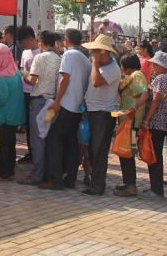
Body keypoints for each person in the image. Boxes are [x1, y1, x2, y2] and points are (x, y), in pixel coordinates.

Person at [39, 29, 90, 191]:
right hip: (77, 107)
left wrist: (57, 101)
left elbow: (65, 79)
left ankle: (55, 179)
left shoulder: (69, 55)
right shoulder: (85, 59)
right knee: (71, 142)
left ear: (66, 41)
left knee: (55, 139)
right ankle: (70, 178)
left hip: (67, 104)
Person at [17, 31, 61, 185]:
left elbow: (32, 80)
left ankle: (37, 174)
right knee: (48, 138)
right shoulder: (59, 59)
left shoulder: (39, 57)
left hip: (39, 101)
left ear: (41, 42)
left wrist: (23, 74)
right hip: (53, 102)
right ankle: (47, 173)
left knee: (37, 140)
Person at [80, 34, 121, 196]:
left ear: (103, 52)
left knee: (99, 151)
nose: (92, 54)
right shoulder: (100, 65)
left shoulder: (112, 68)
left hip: (104, 114)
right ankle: (95, 181)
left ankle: (98, 185)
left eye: (95, 51)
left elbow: (97, 82)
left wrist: (95, 63)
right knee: (92, 149)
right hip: (94, 111)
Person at [141, 51, 167, 198]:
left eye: (155, 64)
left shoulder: (160, 78)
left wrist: (147, 119)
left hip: (157, 122)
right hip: (164, 121)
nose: (153, 67)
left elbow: (156, 100)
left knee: (154, 156)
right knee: (156, 155)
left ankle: (156, 189)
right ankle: (156, 187)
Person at [0, 44, 24, 180]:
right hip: (14, 114)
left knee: (2, 144)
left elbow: (2, 97)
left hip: (3, 115)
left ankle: (4, 173)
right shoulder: (15, 71)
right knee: (10, 143)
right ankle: (10, 171)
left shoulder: (1, 75)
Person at [114, 53, 147, 196]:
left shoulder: (137, 75)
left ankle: (131, 186)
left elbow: (144, 94)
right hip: (126, 120)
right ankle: (127, 181)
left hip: (132, 121)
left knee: (128, 152)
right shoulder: (132, 76)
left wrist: (133, 109)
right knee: (125, 151)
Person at [16, 26, 39, 164]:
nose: (22, 45)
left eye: (23, 42)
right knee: (27, 125)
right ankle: (31, 152)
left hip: (34, 93)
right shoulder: (25, 52)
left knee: (34, 125)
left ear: (30, 39)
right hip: (23, 92)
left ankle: (36, 153)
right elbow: (22, 69)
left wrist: (25, 75)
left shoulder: (40, 53)